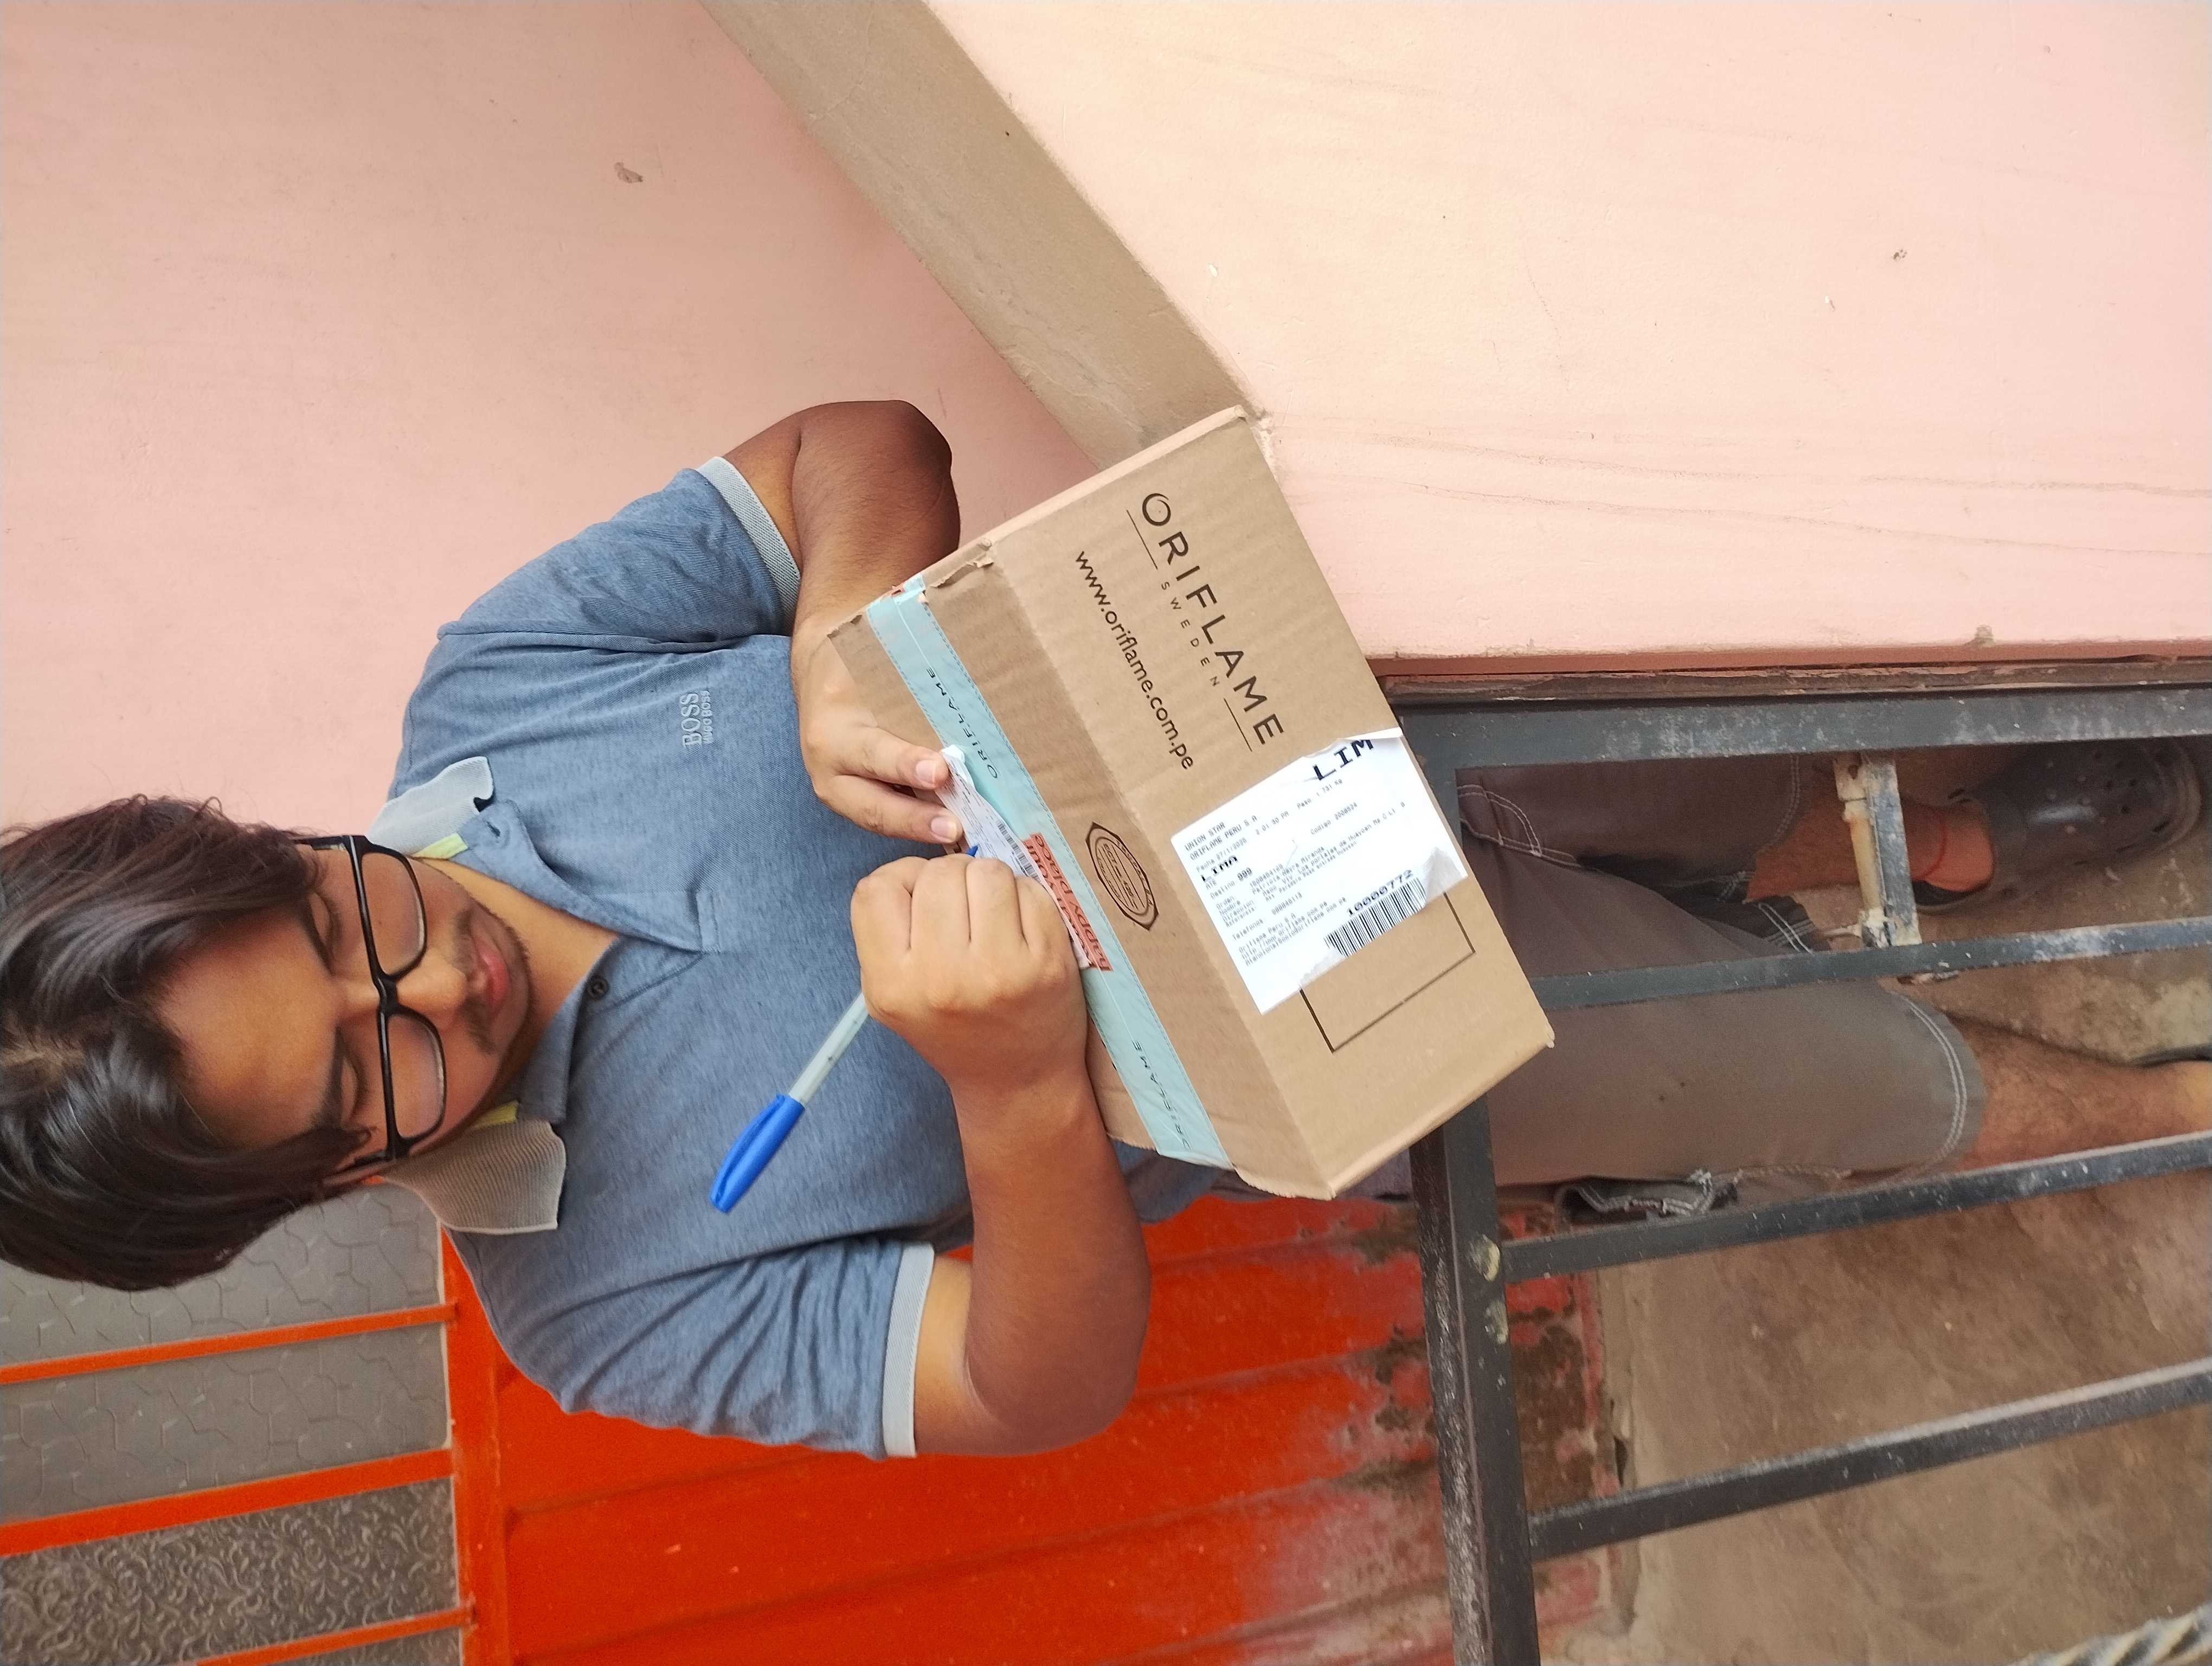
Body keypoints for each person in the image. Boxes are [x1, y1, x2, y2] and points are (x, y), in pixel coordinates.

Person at [4, 402, 2203, 1459]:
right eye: (371, 1070)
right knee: (1823, 1067)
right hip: (1357, 1036)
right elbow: (1033, 1388)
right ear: (325, 1186)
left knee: (1723, 783)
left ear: (267, 841)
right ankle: (2137, 1106)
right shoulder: (597, 1313)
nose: (442, 973)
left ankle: (1962, 836)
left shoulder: (497, 695)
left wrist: (841, 624)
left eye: (342, 907)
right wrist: (1019, 1092)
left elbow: (856, 442)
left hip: (1342, 711)